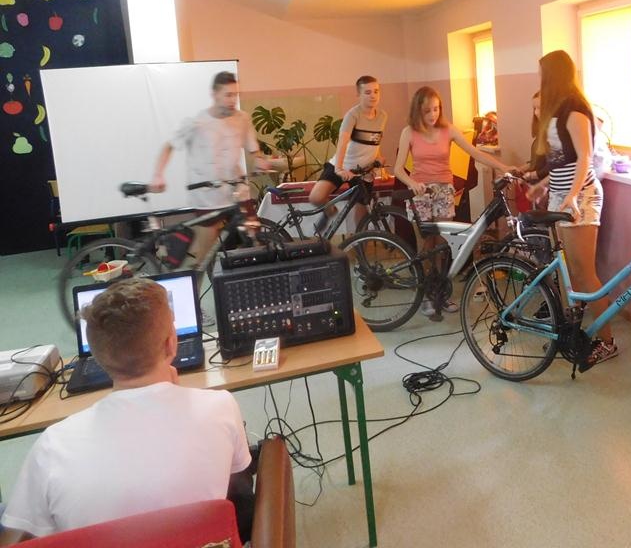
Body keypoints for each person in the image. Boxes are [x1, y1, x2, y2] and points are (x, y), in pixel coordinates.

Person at [0, 278, 251, 541]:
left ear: (97, 356)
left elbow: (24, 536)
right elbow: (238, 486)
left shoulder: (52, 446)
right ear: (171, 344)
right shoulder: (219, 406)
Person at [526, 50, 615, 364]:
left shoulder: (575, 109)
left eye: (542, 74)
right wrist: (544, 184)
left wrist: (573, 194)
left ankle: (607, 342)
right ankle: (575, 334)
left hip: (582, 197)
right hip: (562, 195)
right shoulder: (556, 110)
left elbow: (584, 157)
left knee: (585, 274)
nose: (540, 80)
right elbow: (562, 160)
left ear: (553, 75)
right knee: (571, 274)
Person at [393, 86, 511, 317]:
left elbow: (475, 153)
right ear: (418, 110)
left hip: (443, 190)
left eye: (436, 109)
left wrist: (503, 167)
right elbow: (398, 169)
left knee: (441, 244)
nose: (433, 115)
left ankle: (440, 293)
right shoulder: (409, 132)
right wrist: (412, 183)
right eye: (427, 110)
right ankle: (427, 292)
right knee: (427, 244)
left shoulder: (448, 129)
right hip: (420, 191)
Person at [150, 71, 277, 266]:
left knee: (254, 234)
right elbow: (169, 146)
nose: (233, 100)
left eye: (235, 95)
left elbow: (253, 147)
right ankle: (197, 278)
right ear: (214, 94)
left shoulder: (242, 118)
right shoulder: (197, 123)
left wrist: (259, 159)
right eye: (228, 95)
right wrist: (158, 175)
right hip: (207, 195)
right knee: (206, 252)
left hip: (236, 190)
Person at [308, 75, 387, 225]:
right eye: (367, 92)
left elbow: (375, 141)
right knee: (316, 197)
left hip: (364, 171)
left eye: (376, 91)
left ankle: (360, 239)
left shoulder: (383, 116)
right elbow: (342, 142)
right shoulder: (352, 115)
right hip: (343, 166)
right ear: (359, 94)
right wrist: (338, 168)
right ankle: (330, 211)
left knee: (362, 217)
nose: (373, 96)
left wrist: (379, 158)